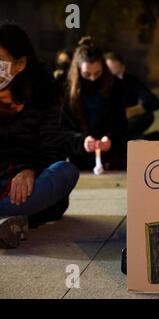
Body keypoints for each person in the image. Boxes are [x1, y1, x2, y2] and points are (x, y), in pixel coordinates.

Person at [0, 24, 79, 248]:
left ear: (20, 64)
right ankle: (15, 220)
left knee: (66, 171)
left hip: (29, 186)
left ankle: (14, 215)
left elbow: (53, 149)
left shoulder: (44, 95)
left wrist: (29, 170)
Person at [62, 37, 128, 170]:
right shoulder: (66, 89)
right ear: (78, 71)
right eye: (87, 74)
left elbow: (121, 124)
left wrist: (111, 139)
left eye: (97, 74)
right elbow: (62, 128)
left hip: (111, 159)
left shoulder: (115, 86)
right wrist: (81, 141)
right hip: (77, 160)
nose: (92, 79)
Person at [105, 52, 159, 140]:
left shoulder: (131, 81)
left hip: (127, 121)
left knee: (148, 116)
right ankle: (145, 138)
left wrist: (130, 111)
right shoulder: (101, 84)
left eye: (116, 74)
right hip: (107, 122)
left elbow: (154, 102)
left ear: (123, 68)